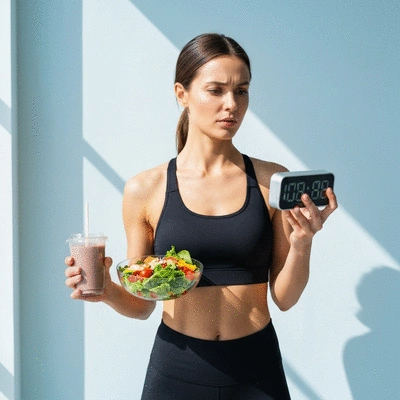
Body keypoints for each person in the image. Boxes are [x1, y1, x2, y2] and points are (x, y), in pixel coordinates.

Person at [65, 33, 338, 399]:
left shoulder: (270, 181)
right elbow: (143, 304)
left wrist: (303, 244)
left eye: (241, 91)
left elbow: (285, 298)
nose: (232, 105)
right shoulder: (145, 189)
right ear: (182, 94)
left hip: (256, 369)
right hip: (177, 368)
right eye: (216, 90)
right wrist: (107, 292)